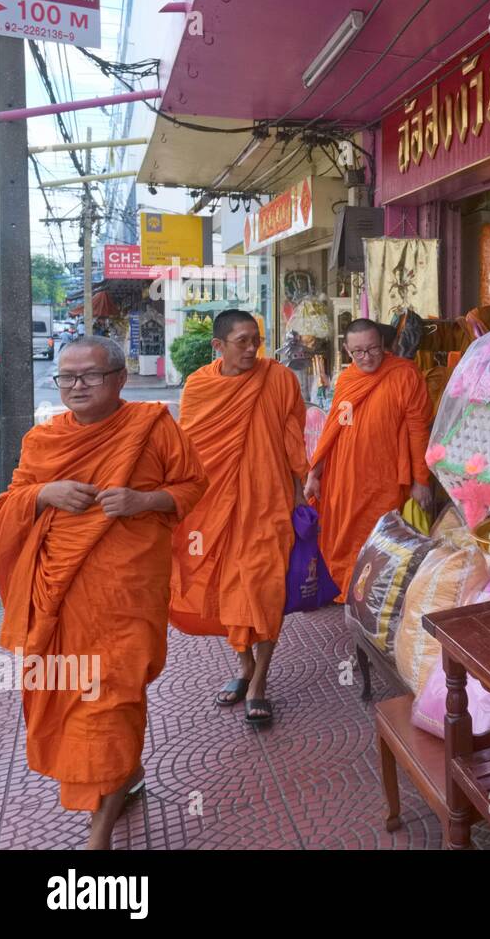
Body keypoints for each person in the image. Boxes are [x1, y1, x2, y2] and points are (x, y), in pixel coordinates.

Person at [0, 337, 207, 849]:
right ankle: (123, 775)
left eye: (89, 376)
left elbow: (192, 485)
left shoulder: (153, 427)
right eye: (67, 377)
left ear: (119, 378)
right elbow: (11, 503)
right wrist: (44, 494)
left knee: (112, 699)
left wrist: (143, 500)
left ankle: (99, 836)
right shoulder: (42, 441)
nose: (76, 386)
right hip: (60, 600)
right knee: (75, 695)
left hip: (126, 596)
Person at [169, 310, 308, 726]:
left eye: (256, 341)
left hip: (268, 503)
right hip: (214, 506)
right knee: (227, 587)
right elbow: (188, 450)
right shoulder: (199, 386)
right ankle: (244, 666)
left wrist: (301, 492)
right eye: (242, 341)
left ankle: (260, 682)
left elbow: (292, 437)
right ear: (219, 346)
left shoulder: (279, 378)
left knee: (263, 591)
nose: (252, 349)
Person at [305, 318, 433, 596]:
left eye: (373, 349)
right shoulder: (348, 378)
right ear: (347, 350)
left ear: (384, 345)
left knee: (380, 534)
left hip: (383, 475)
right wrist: (315, 473)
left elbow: (418, 430)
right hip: (344, 474)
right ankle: (344, 585)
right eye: (358, 352)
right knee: (343, 533)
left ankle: (371, 593)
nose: (367, 357)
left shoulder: (405, 374)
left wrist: (421, 480)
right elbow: (332, 429)